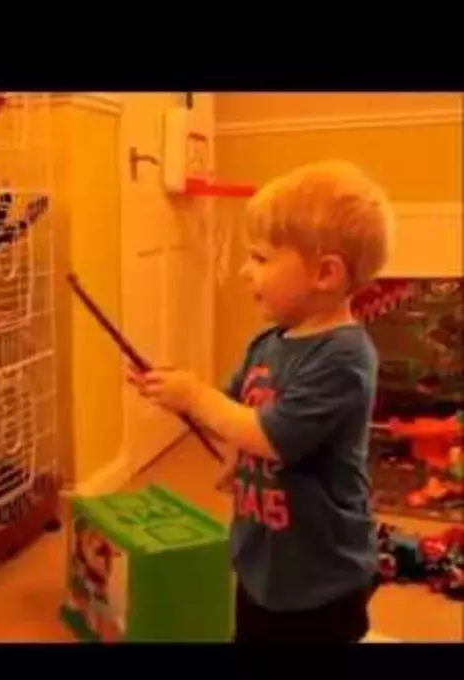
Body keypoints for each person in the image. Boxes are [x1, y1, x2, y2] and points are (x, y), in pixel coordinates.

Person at [129, 160, 394, 643]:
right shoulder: (268, 342)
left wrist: (199, 396)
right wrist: (174, 395)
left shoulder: (345, 357)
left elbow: (270, 435)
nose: (244, 270)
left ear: (325, 273)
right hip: (262, 557)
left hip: (321, 574)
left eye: (261, 258)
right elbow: (233, 419)